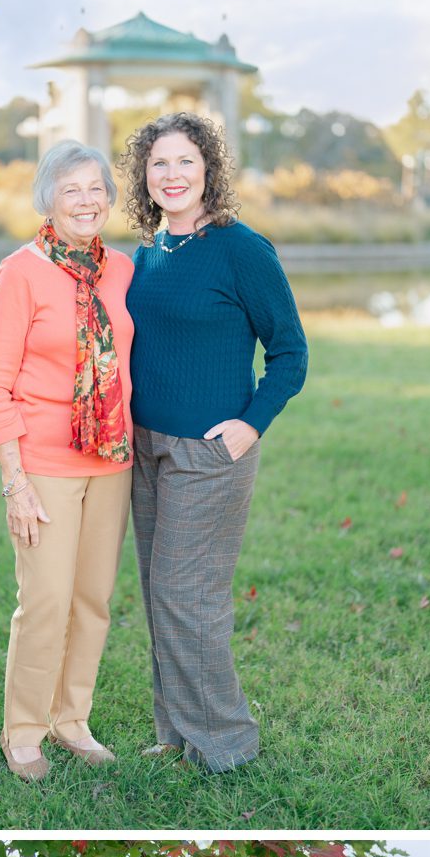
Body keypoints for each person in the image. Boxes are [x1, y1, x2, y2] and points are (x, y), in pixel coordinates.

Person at [121, 110, 307, 772]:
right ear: (144, 176)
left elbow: (290, 353)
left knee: (188, 596)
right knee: (157, 591)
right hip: (144, 448)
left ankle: (226, 745)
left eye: (185, 162)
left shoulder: (242, 250)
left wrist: (249, 423)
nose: (172, 175)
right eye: (159, 164)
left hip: (209, 452)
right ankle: (176, 732)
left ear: (210, 171)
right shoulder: (147, 253)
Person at [0, 140, 134, 783]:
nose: (86, 200)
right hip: (42, 462)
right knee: (44, 599)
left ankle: (72, 721)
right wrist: (14, 482)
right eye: (71, 189)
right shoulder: (20, 271)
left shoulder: (122, 269)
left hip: (112, 459)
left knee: (92, 599)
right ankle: (24, 730)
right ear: (49, 198)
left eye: (96, 187)